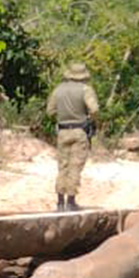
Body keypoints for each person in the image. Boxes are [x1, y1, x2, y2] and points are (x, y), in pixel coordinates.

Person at [48, 62, 100, 212]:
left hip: (62, 131)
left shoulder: (58, 90)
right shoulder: (85, 90)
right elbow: (94, 109)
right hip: (79, 131)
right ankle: (71, 201)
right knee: (75, 166)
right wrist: (91, 120)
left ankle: (59, 202)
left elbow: (50, 111)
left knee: (62, 166)